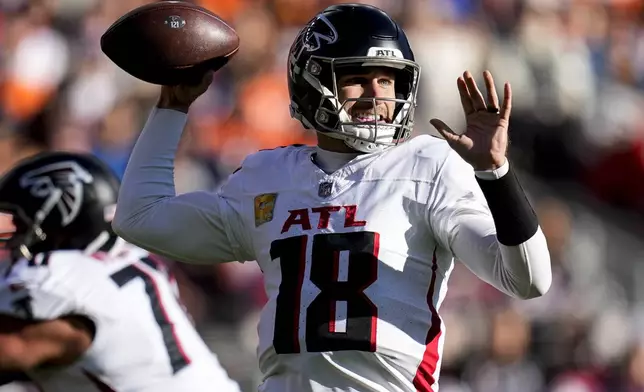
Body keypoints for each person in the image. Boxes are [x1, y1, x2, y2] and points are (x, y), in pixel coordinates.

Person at [112, 3, 552, 392]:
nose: (378, 94)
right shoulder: (269, 176)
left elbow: (528, 279)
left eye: (387, 80)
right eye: (357, 79)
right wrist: (172, 106)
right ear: (312, 83)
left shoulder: (427, 165)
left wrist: (495, 172)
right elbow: (141, 218)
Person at [0, 152, 240, 392]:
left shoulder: (64, 275)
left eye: (21, 225)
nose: (12, 238)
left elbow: (13, 348)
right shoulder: (132, 259)